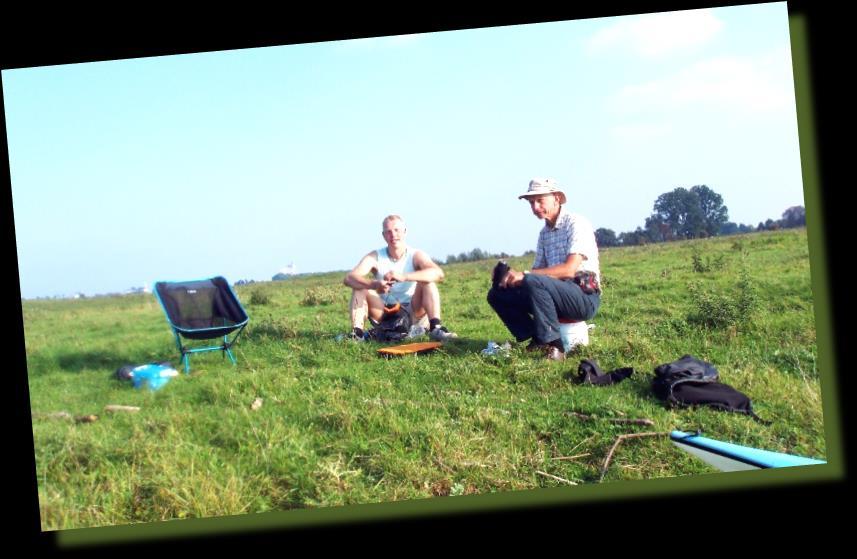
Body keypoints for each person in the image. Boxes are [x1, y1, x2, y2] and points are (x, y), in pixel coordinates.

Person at [487, 178, 601, 361]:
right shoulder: (544, 234)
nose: (535, 207)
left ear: (556, 198)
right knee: (496, 294)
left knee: (531, 279)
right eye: (532, 203)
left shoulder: (576, 223)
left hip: (582, 296)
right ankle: (536, 339)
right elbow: (535, 277)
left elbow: (569, 269)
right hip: (555, 295)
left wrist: (525, 275)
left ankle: (556, 347)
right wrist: (508, 278)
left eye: (540, 201)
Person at [343, 215, 458, 341]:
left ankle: (436, 328)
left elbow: (438, 273)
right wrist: (374, 285)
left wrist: (404, 277)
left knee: (427, 282)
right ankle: (357, 334)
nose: (393, 235)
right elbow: (349, 278)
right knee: (359, 287)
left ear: (405, 231)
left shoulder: (415, 255)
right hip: (384, 311)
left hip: (413, 311)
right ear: (383, 235)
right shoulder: (375, 256)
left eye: (397, 230)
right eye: (388, 232)